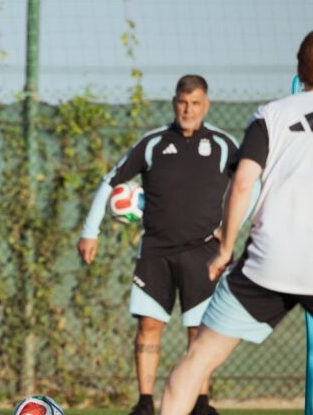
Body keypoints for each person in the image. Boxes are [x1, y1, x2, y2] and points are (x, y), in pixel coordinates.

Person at [160, 31, 313, 415]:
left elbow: (243, 182)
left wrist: (225, 248)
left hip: (268, 261)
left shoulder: (272, 115)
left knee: (196, 362)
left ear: (299, 68)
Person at [77, 75, 240, 415]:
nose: (188, 109)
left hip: (204, 251)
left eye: (195, 103)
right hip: (155, 251)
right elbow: (111, 181)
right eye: (183, 102)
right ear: (174, 102)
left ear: (206, 105)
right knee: (149, 325)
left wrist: (231, 229)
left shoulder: (225, 145)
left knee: (199, 330)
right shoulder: (153, 143)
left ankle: (201, 403)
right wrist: (90, 230)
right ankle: (145, 403)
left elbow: (250, 185)